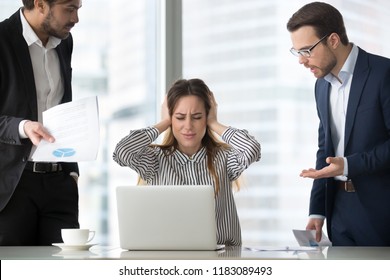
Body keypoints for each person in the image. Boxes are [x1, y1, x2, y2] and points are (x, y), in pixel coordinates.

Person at [287, 2, 390, 246]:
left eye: (307, 50)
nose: (302, 60)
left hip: (381, 212)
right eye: (297, 52)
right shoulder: (321, 85)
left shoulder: (383, 73)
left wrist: (348, 164)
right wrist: (317, 211)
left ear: (333, 40)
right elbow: (325, 151)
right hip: (339, 214)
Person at [113, 78, 261, 246]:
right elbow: (122, 152)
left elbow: (252, 149)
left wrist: (214, 122)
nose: (188, 126)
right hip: (169, 258)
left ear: (206, 117)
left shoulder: (224, 158)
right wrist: (164, 123)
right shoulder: (155, 159)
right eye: (180, 117)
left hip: (221, 259)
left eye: (197, 117)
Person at [0, 0, 82, 245]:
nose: (76, 18)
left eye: (78, 9)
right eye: (69, 8)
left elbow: (63, 104)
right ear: (40, 4)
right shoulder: (2, 40)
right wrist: (22, 127)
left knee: (63, 269)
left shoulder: (64, 42)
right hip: (13, 185)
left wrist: (72, 173)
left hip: (59, 183)